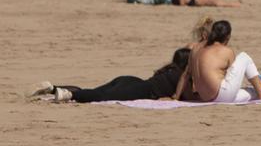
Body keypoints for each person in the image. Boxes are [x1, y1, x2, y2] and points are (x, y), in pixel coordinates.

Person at [173, 20, 261, 103]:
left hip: (206, 97)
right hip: (221, 94)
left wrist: (176, 98)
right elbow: (232, 78)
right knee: (244, 57)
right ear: (228, 37)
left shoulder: (195, 48)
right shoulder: (226, 51)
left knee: (252, 92)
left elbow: (185, 75)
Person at [28, 48, 191, 103]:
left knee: (94, 91)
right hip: (141, 90)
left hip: (130, 79)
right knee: (100, 97)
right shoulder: (181, 77)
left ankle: (53, 88)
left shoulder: (167, 69)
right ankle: (68, 94)